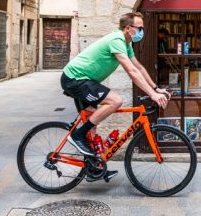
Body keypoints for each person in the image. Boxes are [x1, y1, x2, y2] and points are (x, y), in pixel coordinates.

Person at [60, 12, 170, 182]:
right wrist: (153, 95)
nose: (142, 31)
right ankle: (77, 135)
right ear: (128, 28)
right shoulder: (117, 40)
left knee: (92, 125)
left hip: (85, 80)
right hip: (75, 79)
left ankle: (93, 167)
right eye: (140, 28)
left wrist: (156, 88)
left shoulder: (126, 44)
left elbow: (139, 68)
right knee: (115, 100)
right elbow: (131, 71)